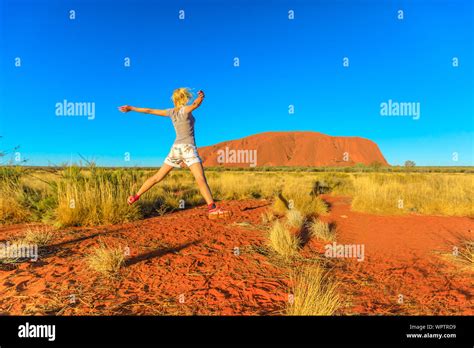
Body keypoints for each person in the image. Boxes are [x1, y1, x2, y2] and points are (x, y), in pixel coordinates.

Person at [118, 88, 231, 219]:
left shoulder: (171, 112)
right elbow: (195, 105)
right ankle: (212, 208)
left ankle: (135, 196)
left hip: (176, 148)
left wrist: (131, 108)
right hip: (188, 148)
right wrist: (201, 97)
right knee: (200, 178)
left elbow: (149, 111)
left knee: (157, 177)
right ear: (185, 97)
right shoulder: (186, 109)